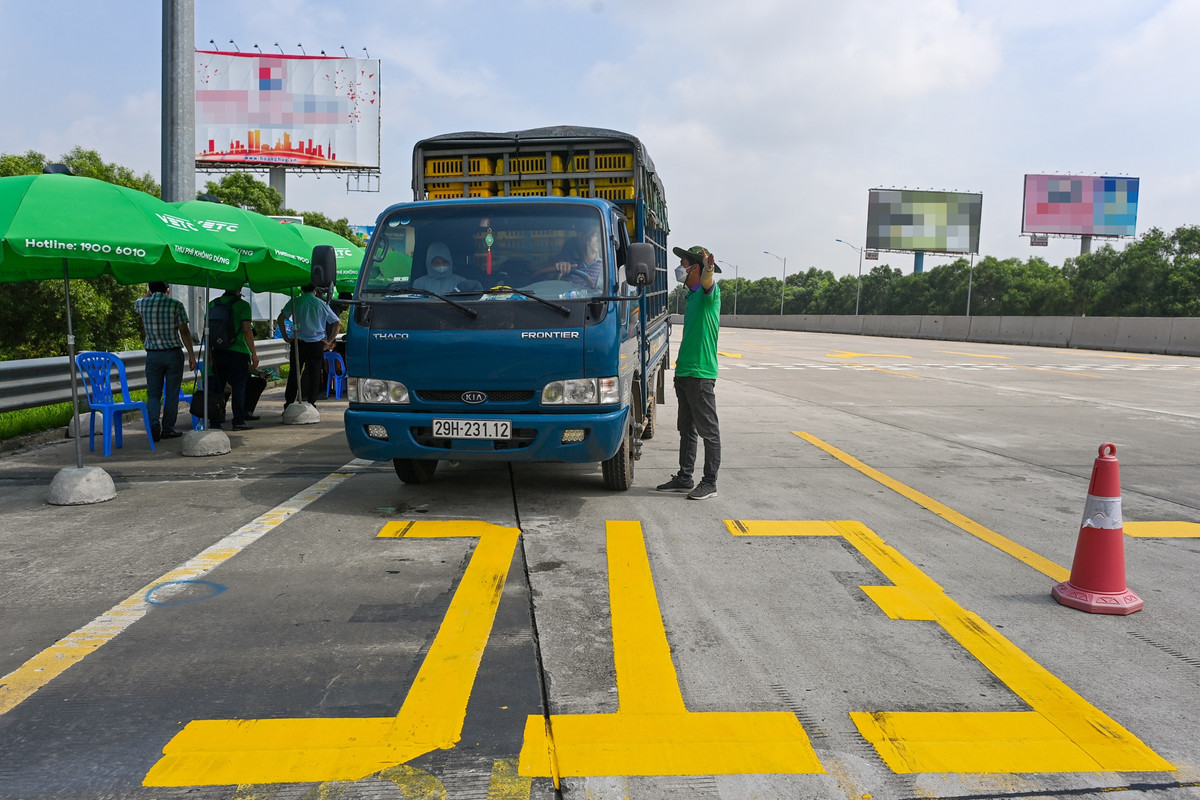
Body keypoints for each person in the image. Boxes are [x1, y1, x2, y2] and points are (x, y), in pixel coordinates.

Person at [657, 245, 722, 500]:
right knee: (687, 429)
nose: (680, 267)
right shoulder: (691, 296)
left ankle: (710, 482)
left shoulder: (709, 293)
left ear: (695, 267)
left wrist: (708, 269)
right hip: (684, 372)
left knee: (709, 430)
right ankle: (685, 477)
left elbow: (708, 281)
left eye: (684, 263)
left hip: (700, 373)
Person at [134, 281, 197, 440]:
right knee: (172, 393)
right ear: (167, 289)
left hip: (153, 355)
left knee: (153, 394)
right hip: (173, 353)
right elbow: (184, 331)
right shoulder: (176, 304)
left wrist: (148, 293)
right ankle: (168, 428)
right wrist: (191, 354)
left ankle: (154, 423)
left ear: (150, 289)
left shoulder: (141, 303)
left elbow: (140, 302)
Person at [277, 284, 341, 408]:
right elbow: (337, 324)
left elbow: (281, 319)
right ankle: (311, 403)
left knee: (294, 373)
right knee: (315, 374)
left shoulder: (295, 301)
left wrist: (286, 336)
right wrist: (329, 342)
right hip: (317, 344)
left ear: (301, 289)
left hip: (298, 343)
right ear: (315, 290)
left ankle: (289, 402)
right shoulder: (322, 304)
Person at [207, 288, 259, 431]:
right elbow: (247, 330)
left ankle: (215, 423)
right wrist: (254, 354)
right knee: (239, 389)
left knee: (217, 389)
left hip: (217, 351)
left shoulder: (212, 304)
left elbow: (207, 331)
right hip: (238, 352)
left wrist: (209, 353)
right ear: (239, 289)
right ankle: (238, 421)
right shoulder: (242, 305)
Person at [533, 227, 603, 287]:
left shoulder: (606, 263)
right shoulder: (562, 259)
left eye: (601, 236)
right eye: (596, 235)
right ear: (581, 236)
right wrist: (558, 272)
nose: (600, 240)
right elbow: (549, 287)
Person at [412, 243, 482, 294]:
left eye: (445, 262)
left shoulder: (461, 282)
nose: (441, 265)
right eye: (436, 263)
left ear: (450, 262)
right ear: (429, 264)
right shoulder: (419, 284)